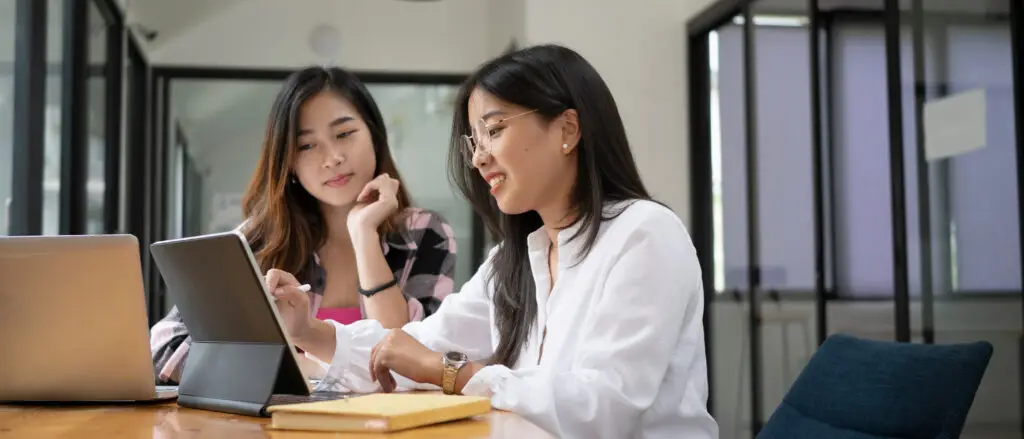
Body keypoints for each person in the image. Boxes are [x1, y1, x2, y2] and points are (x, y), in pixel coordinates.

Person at [268, 45, 717, 438]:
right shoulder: (516, 257)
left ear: (567, 129)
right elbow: (418, 345)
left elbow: (601, 410)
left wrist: (451, 374)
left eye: (495, 130)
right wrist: (306, 329)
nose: (480, 157)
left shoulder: (644, 234)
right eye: (474, 140)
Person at [150, 66, 458, 385]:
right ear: (289, 163)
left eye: (344, 134)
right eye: (307, 146)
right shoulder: (258, 240)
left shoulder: (426, 233)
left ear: (375, 136)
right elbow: (163, 347)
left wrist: (364, 235)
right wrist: (303, 370)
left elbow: (413, 360)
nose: (332, 158)